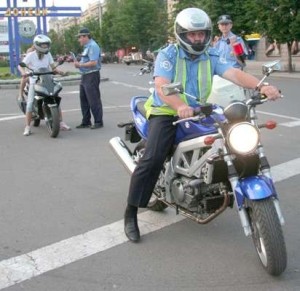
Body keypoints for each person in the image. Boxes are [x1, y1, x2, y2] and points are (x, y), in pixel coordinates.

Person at [123, 7, 282, 243]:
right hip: (167, 111)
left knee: (232, 136)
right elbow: (161, 86)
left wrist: (261, 86)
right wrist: (178, 106)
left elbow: (235, 74)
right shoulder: (168, 55)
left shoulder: (211, 56)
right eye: (192, 34)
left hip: (200, 110)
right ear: (181, 34)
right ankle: (131, 212)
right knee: (153, 157)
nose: (197, 38)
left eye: (201, 34)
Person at [18, 34, 71, 136]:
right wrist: (23, 72)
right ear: (37, 45)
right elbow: (20, 65)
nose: (45, 47)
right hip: (35, 80)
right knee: (29, 104)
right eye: (43, 45)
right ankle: (27, 127)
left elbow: (53, 68)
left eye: (46, 45)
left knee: (55, 99)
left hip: (47, 79)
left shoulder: (48, 54)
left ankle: (61, 123)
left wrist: (61, 72)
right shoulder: (31, 55)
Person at [74, 28, 103, 129]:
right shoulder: (87, 47)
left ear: (85, 36)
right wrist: (78, 62)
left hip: (92, 75)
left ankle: (98, 121)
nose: (79, 40)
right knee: (84, 99)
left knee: (93, 99)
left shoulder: (93, 46)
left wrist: (80, 64)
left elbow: (93, 62)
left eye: (80, 37)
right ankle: (86, 121)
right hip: (85, 75)